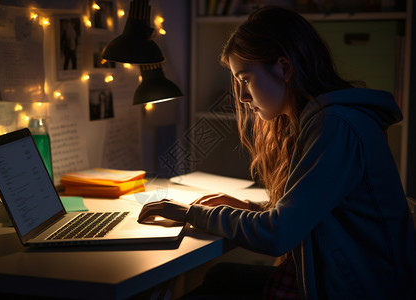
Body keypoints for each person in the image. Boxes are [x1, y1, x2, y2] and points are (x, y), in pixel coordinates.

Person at [138, 6, 416, 300]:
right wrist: (250, 209)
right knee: (220, 276)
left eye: (245, 79)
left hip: (360, 289)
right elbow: (308, 214)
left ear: (284, 68)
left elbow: (279, 235)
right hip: (339, 277)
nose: (243, 97)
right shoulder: (319, 119)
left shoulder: (336, 126)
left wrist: (192, 213)